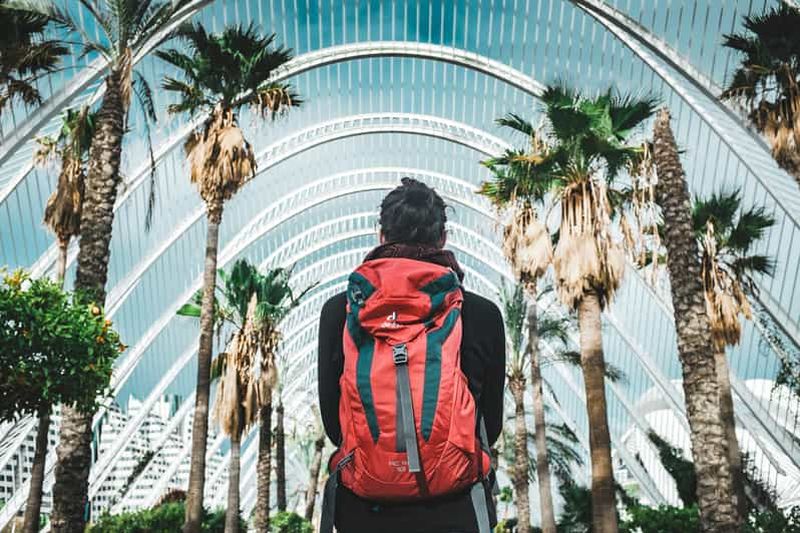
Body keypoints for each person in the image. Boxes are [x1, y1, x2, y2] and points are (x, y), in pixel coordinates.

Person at [317, 178, 506, 533]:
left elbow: (334, 424)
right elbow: (490, 426)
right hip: (455, 511)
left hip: (364, 512)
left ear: (381, 236)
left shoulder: (339, 312)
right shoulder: (480, 313)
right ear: (443, 239)